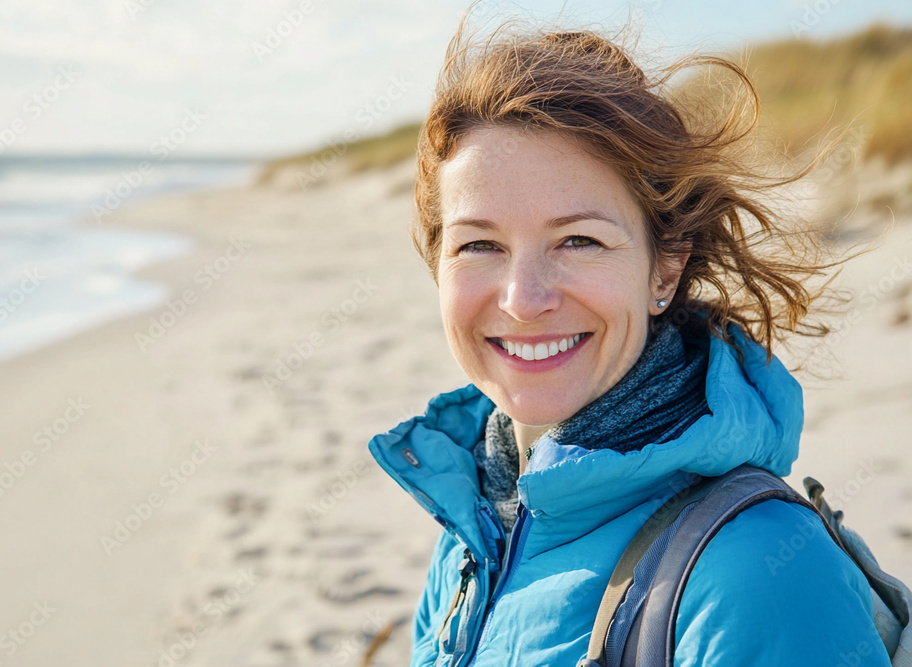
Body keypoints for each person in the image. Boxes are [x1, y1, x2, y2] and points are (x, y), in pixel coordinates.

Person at [366, 16, 892, 667]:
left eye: (579, 240)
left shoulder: (756, 571)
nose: (523, 299)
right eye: (480, 244)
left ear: (664, 268)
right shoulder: (474, 532)